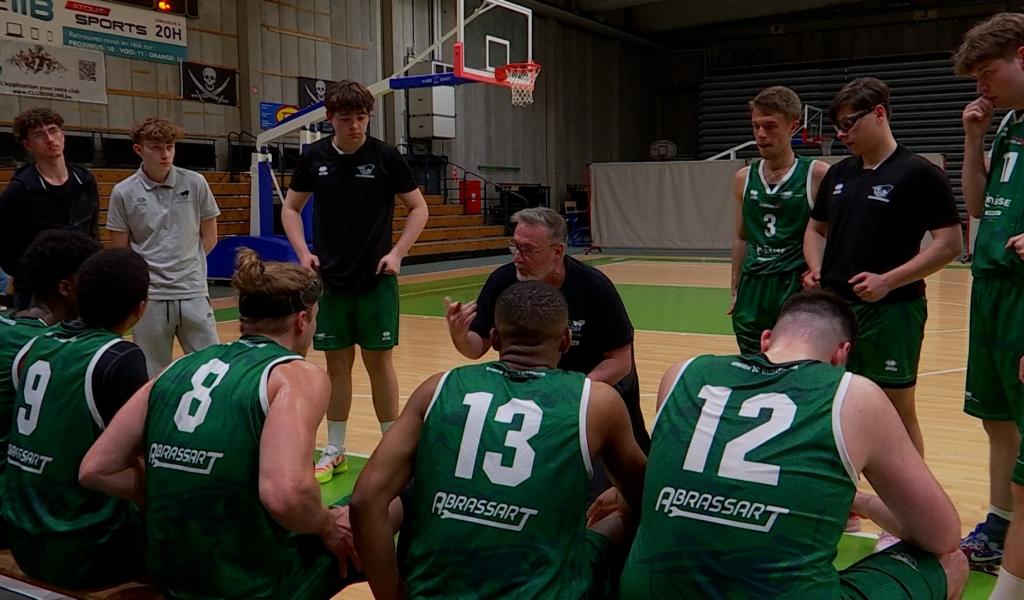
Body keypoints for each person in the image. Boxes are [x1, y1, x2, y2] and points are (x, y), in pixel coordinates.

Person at [617, 290, 967, 599]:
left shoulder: (683, 371)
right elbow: (942, 534)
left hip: (648, 591)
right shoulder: (853, 394)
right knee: (950, 562)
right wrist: (861, 501)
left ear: (766, 340)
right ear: (841, 355)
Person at [80, 249, 360, 599]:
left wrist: (184, 490)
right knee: (366, 512)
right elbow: (286, 496)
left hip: (170, 575)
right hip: (248, 583)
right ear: (302, 321)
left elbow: (96, 469)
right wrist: (326, 524)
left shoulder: (180, 366)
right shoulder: (295, 375)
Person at [351, 280, 647, 599]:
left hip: (432, 589)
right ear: (565, 340)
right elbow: (647, 495)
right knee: (623, 518)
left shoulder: (437, 387)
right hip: (543, 591)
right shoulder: (597, 402)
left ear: (493, 338)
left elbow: (364, 501)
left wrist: (390, 593)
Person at [803, 77, 962, 463]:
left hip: (894, 312)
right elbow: (814, 229)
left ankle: (908, 512)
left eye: (849, 123)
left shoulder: (919, 173)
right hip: (836, 311)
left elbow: (950, 245)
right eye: (838, 126)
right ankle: (848, 500)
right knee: (835, 403)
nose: (842, 134)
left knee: (895, 409)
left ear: (879, 114)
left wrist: (888, 281)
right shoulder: (839, 175)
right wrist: (815, 268)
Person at [281, 80, 429, 482]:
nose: (355, 125)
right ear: (329, 119)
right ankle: (336, 448)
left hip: (376, 278)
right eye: (346, 118)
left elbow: (418, 208)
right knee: (337, 364)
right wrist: (302, 253)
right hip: (329, 281)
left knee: (379, 363)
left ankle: (390, 446)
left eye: (361, 117)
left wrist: (397, 252)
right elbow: (291, 209)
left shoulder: (385, 157)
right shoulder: (313, 157)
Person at [446, 207, 648, 459]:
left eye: (528, 250)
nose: (518, 258)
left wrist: (573, 392)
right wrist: (460, 336)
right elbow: (476, 348)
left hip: (588, 397)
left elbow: (620, 361)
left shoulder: (595, 287)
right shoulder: (502, 281)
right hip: (532, 399)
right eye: (515, 247)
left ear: (557, 252)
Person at [3, 248, 149, 589]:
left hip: (22, 538)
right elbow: (144, 457)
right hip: (86, 552)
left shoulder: (37, 344)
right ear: (139, 309)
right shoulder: (119, 357)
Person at [952, 13, 1024, 589]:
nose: (981, 85)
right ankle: (1000, 523)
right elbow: (976, 208)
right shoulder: (1006, 124)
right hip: (991, 287)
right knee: (996, 418)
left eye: (988, 71)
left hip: (1023, 292)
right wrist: (974, 135)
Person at [0, 230, 100, 547]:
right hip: (18, 507)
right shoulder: (51, 348)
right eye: (90, 279)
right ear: (66, 287)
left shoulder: (9, 327)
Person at [106, 117, 220, 376]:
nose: (165, 154)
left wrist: (187, 267)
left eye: (169, 147)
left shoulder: (195, 182)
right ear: (139, 150)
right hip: (150, 297)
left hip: (193, 292)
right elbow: (121, 252)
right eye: (156, 148)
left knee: (211, 369)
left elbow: (209, 238)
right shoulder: (123, 192)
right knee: (151, 373)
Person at [730, 86, 830, 354]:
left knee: (793, 364)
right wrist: (735, 286)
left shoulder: (817, 174)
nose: (761, 135)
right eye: (756, 126)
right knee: (752, 365)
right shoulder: (743, 177)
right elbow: (742, 236)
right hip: (754, 285)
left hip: (794, 284)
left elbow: (828, 235)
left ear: (793, 126)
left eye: (770, 126)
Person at [0, 108, 99, 310]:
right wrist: (33, 278)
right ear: (28, 145)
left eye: (53, 130)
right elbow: (6, 252)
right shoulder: (19, 190)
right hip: (37, 293)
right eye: (39, 135)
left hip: (80, 286)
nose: (49, 138)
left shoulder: (86, 180)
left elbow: (92, 233)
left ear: (62, 135)